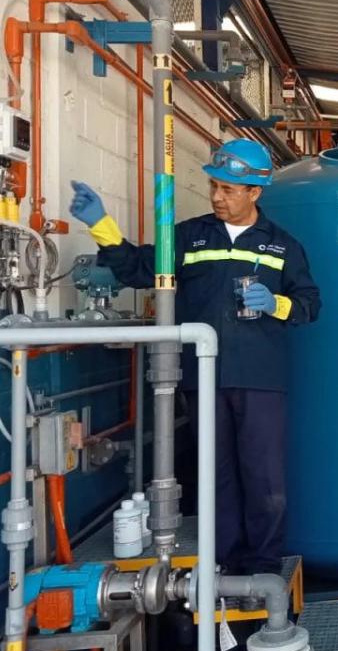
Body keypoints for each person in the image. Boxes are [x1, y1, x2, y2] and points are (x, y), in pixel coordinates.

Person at [69, 138, 320, 580]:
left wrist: (275, 303)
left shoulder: (283, 246)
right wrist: (102, 226)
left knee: (265, 480)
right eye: (214, 186)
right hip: (202, 376)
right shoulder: (189, 235)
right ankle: (222, 564)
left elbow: (309, 305)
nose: (217, 196)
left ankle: (263, 570)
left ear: (254, 192)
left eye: (228, 189)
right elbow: (140, 269)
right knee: (215, 475)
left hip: (260, 377)